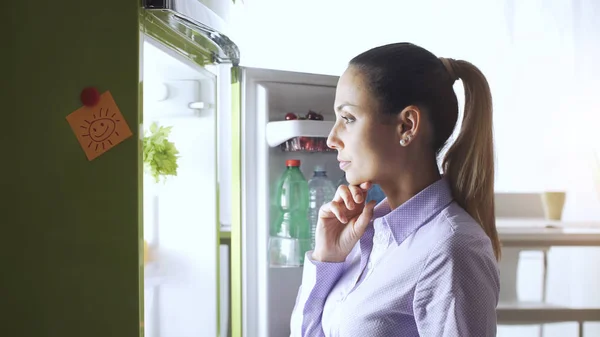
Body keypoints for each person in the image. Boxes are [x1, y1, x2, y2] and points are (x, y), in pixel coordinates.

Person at [290, 42, 500, 336]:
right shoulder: (370, 235)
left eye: (348, 118)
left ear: (407, 125)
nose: (331, 138)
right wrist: (328, 257)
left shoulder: (453, 249)